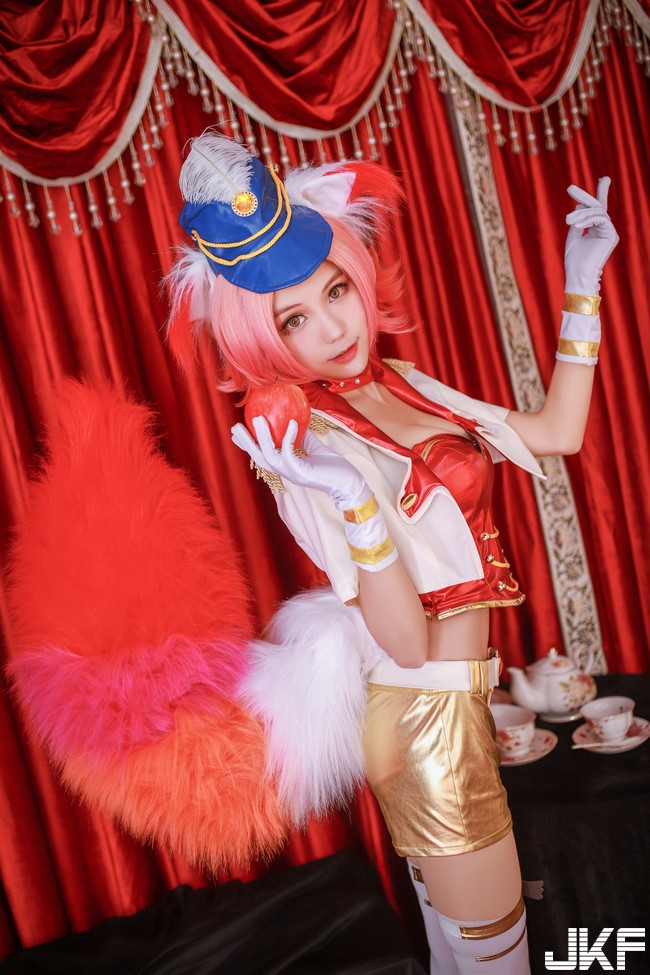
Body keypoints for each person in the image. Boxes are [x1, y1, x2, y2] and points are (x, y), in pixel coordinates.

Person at [165, 131, 618, 974]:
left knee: (460, 959)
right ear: (263, 338)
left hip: (451, 709)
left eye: (335, 289)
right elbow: (406, 641)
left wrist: (581, 287)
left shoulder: (397, 380)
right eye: (294, 318)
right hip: (423, 723)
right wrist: (355, 502)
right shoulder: (301, 447)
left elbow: (556, 431)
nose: (334, 326)